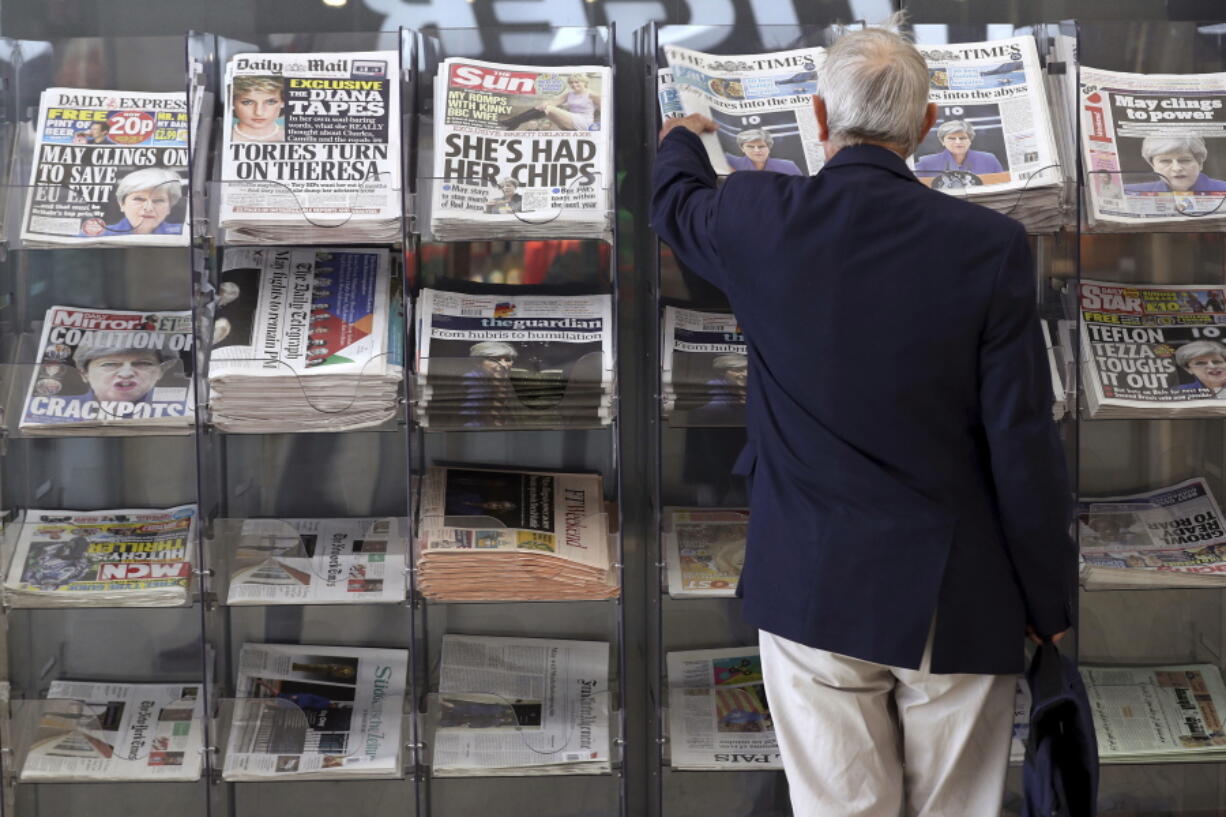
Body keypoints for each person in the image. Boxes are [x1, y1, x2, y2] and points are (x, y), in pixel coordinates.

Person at [651, 14, 1075, 817]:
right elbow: (1023, 442)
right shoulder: (990, 247)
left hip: (814, 586)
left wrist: (680, 138)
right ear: (925, 128)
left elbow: (676, 202)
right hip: (958, 595)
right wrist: (1048, 605)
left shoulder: (756, 215)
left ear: (817, 118)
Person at [95, 168, 184, 236]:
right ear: (122, 204)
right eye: (139, 199)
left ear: (169, 207)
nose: (148, 208)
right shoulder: (95, 235)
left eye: (158, 201)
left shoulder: (185, 233)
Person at [1125, 134, 1226, 193]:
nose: (1176, 168)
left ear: (1200, 163)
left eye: (1185, 160)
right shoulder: (1131, 191)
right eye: (1165, 161)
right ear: (1153, 166)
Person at [500, 74, 600, 131]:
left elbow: (606, 111)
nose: (574, 85)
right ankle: (514, 122)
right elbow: (554, 102)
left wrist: (597, 128)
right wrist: (546, 102)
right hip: (570, 118)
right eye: (571, 83)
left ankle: (514, 122)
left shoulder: (592, 95)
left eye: (577, 82)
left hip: (584, 122)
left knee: (549, 108)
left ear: (584, 82)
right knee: (544, 106)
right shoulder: (569, 94)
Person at [914, 119, 1004, 178]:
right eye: (952, 138)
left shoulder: (989, 159)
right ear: (942, 142)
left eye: (962, 138)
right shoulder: (925, 163)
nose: (958, 142)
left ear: (970, 140)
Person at [459, 341, 518, 427]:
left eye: (508, 360)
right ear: (478, 363)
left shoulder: (510, 382)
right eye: (495, 360)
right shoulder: (471, 380)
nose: (504, 365)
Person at [689, 353, 748, 425]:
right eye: (738, 370)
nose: (746, 374)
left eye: (747, 369)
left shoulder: (744, 388)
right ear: (722, 372)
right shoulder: (712, 398)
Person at [231, 75, 286, 142]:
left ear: (282, 102)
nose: (259, 112)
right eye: (247, 102)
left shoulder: (291, 136)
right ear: (233, 103)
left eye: (270, 102)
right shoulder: (221, 137)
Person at [726, 129, 802, 175]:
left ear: (769, 147)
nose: (757, 150)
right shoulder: (731, 161)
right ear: (742, 148)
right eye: (750, 147)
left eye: (761, 146)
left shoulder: (788, 166)